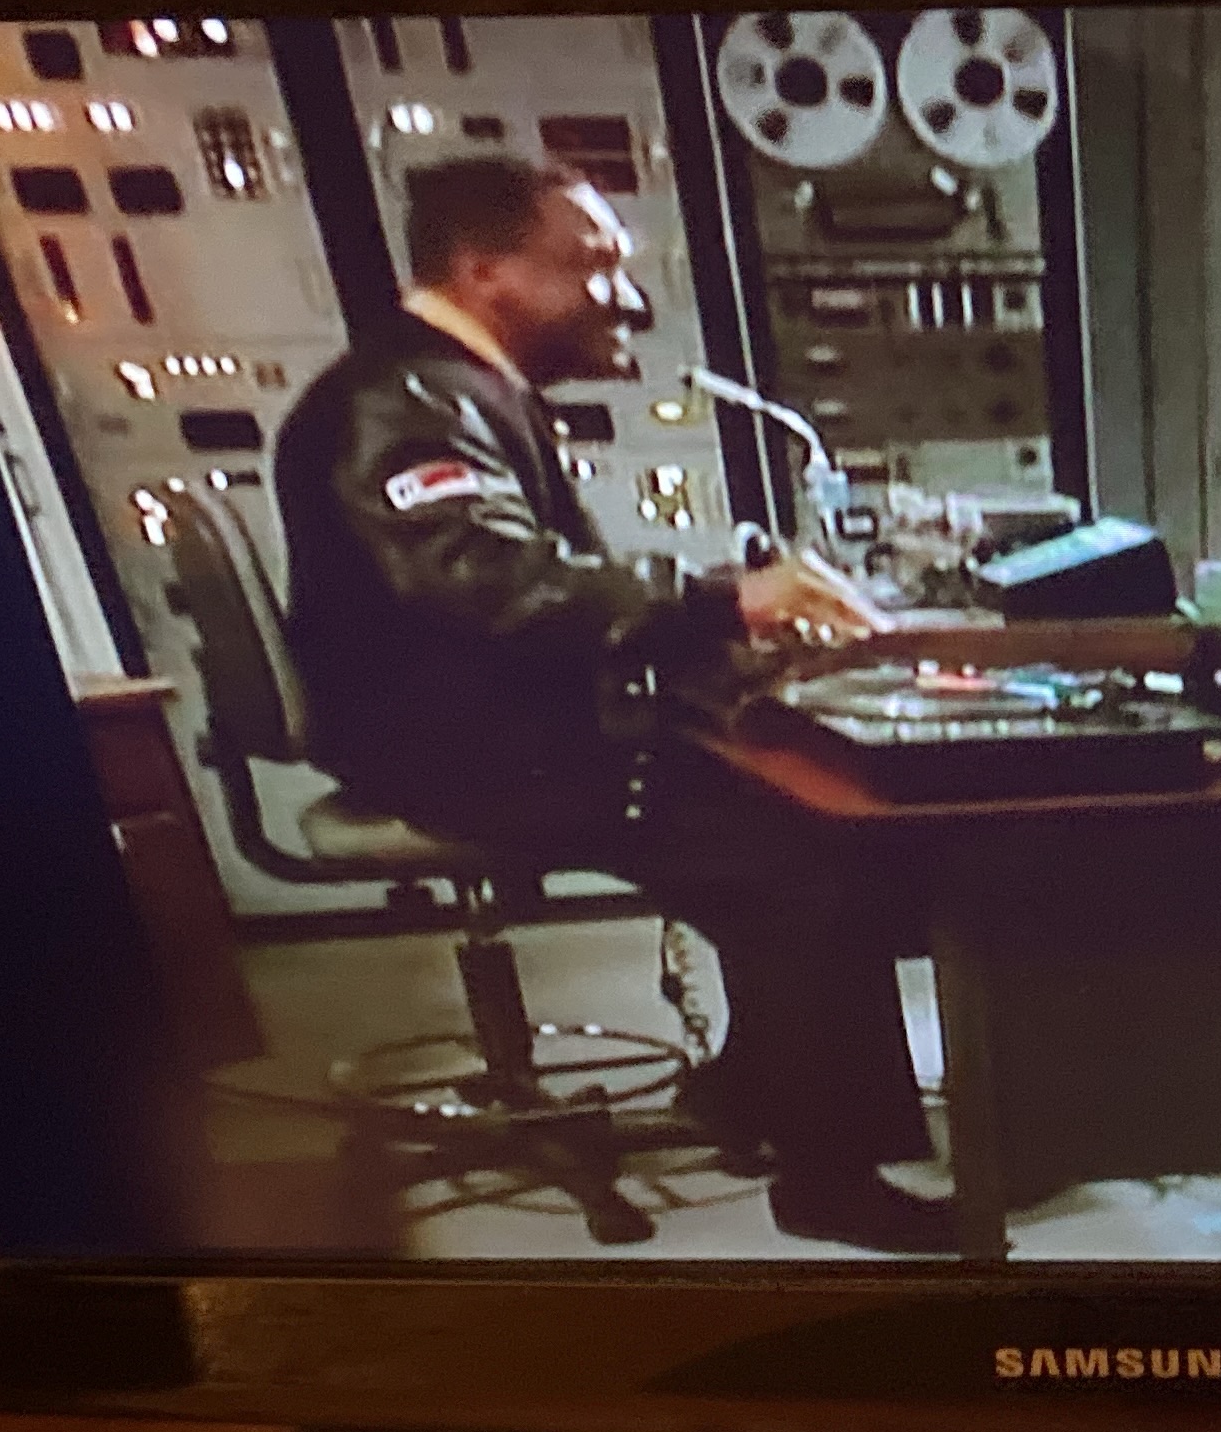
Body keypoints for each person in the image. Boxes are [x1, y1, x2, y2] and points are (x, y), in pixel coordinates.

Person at [270, 152, 949, 1254]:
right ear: (486, 270)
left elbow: (531, 582)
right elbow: (488, 579)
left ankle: (748, 1095)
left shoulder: (445, 387)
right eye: (591, 265)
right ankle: (829, 1182)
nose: (626, 297)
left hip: (480, 728)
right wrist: (723, 605)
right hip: (474, 753)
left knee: (780, 821)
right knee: (809, 860)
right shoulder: (406, 401)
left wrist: (715, 637)